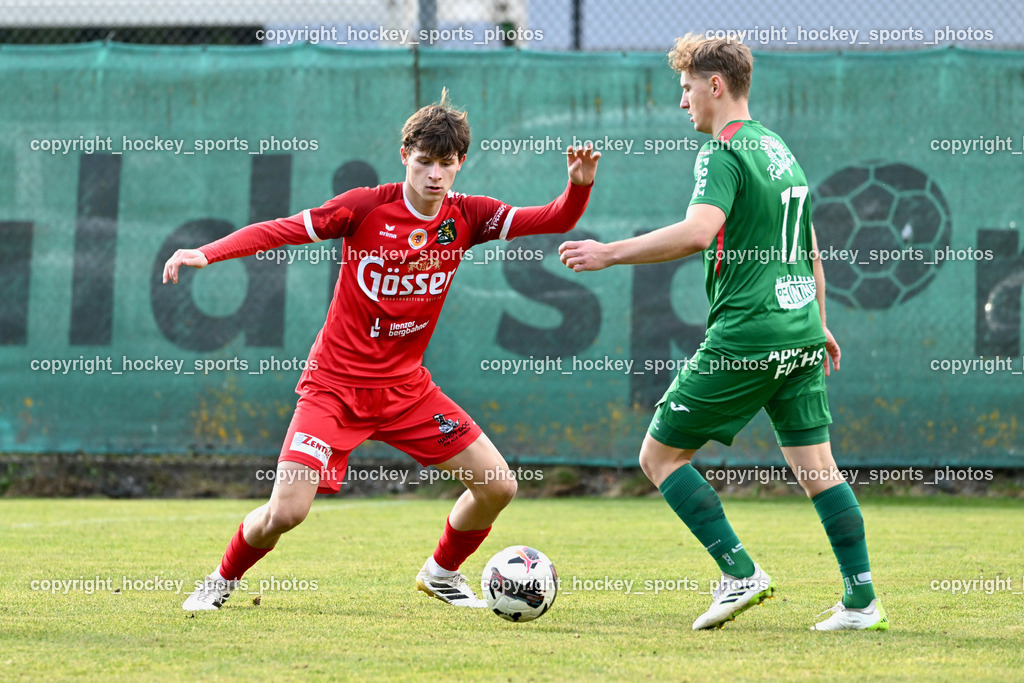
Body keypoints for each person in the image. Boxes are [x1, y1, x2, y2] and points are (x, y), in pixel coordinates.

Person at [165, 90, 600, 611]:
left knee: (498, 486)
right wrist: (209, 253)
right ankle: (220, 581)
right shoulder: (365, 207)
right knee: (286, 512)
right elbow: (281, 230)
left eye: (446, 163)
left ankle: (441, 573)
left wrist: (578, 187)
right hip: (334, 388)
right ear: (404, 157)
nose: (434, 174)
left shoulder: (468, 216)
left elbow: (554, 219)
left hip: (406, 392)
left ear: (460, 163)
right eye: (424, 161)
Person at [558, 34, 887, 632]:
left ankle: (740, 573)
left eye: (687, 88)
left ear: (715, 85)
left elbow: (696, 232)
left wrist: (608, 252)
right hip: (799, 332)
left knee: (658, 456)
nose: (682, 102)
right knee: (819, 468)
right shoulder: (777, 146)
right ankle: (862, 602)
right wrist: (818, 321)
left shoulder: (722, 152)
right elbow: (810, 245)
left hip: (749, 335)